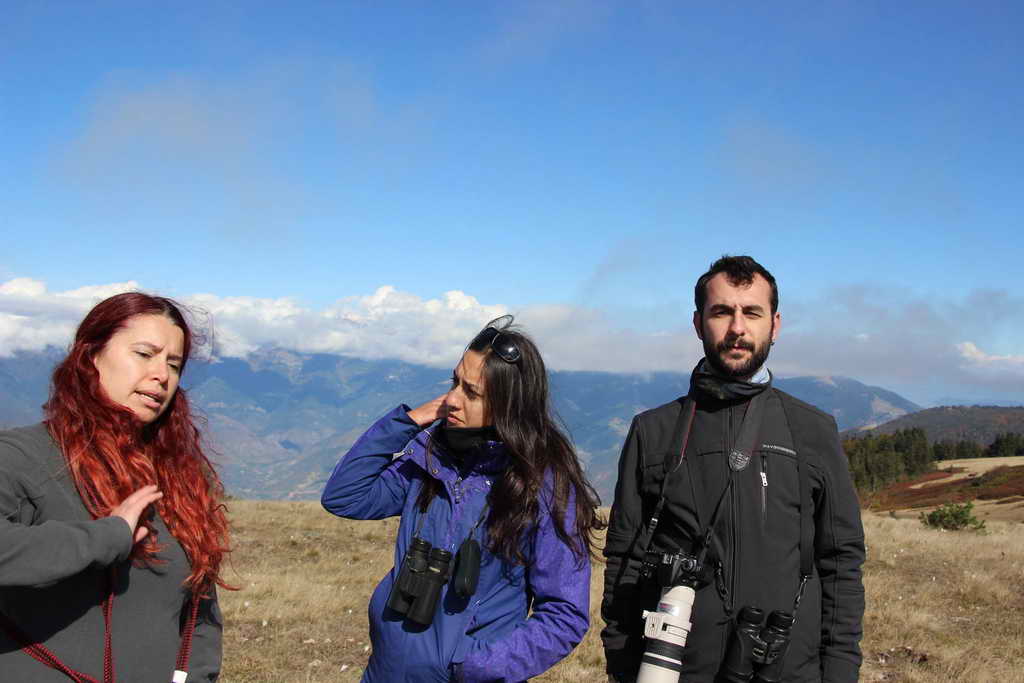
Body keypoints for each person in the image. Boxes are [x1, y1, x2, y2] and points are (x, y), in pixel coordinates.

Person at [601, 256, 865, 682]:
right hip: (673, 669)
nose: (737, 328)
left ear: (775, 325)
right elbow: (624, 558)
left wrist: (839, 671)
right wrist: (622, 660)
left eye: (752, 313)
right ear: (698, 323)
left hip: (786, 670)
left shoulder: (812, 431)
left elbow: (841, 562)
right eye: (722, 312)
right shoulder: (654, 431)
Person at [322, 315, 603, 682]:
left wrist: (476, 668)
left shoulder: (542, 488)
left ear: (508, 405)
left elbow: (564, 615)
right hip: (387, 670)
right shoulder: (430, 461)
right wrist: (411, 420)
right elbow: (345, 496)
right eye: (454, 382)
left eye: (471, 392)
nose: (452, 400)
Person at [0, 293, 230, 682]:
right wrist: (108, 537)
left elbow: (199, 611)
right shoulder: (21, 456)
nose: (162, 375)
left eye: (174, 364)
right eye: (144, 354)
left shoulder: (179, 480)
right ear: (91, 356)